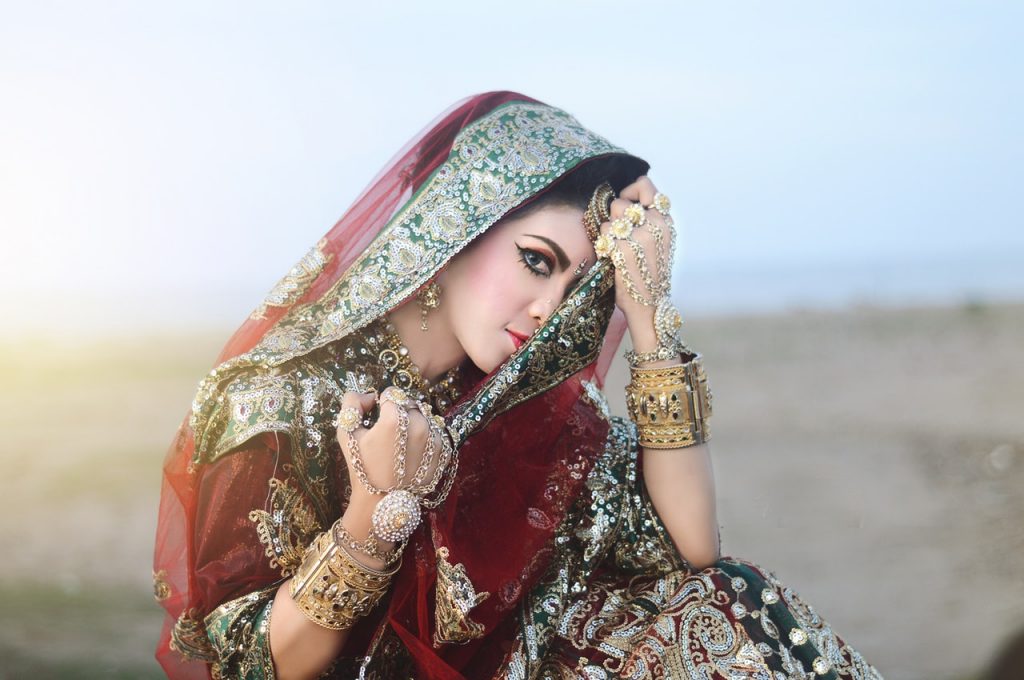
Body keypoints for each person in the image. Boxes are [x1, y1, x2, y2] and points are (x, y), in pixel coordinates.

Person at [153, 91, 883, 679]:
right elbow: (252, 664)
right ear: (456, 225)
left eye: (577, 290)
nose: (547, 311)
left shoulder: (534, 409)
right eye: (537, 261)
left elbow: (694, 556)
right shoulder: (280, 402)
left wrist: (650, 320)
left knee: (736, 606)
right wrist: (373, 521)